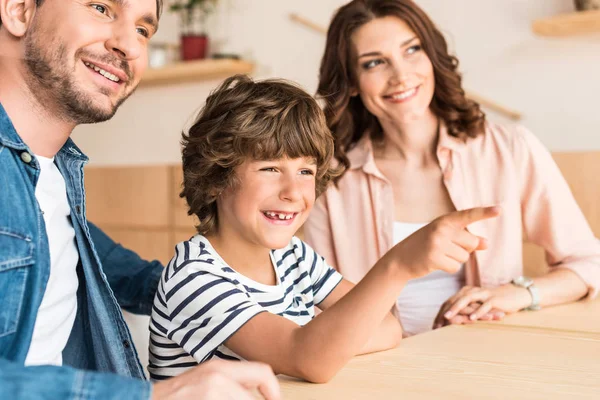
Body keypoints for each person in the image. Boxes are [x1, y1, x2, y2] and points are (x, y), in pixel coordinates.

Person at [0, 0, 279, 399]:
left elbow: (135, 275)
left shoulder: (56, 178)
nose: (128, 45)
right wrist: (155, 396)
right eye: (101, 7)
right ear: (20, 9)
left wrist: (223, 293)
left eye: (143, 30)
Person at [147, 74, 499, 383]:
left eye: (305, 171)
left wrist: (325, 346)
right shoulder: (193, 278)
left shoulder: (293, 257)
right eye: (270, 169)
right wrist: (398, 266)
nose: (293, 192)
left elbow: (388, 327)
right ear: (215, 179)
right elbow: (308, 359)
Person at [303, 0, 600, 337]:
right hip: (376, 367)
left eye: (412, 50)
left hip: (486, 359)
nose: (401, 76)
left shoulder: (510, 150)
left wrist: (514, 294)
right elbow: (315, 307)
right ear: (352, 81)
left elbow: (588, 263)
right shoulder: (331, 181)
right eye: (374, 63)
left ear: (432, 55)